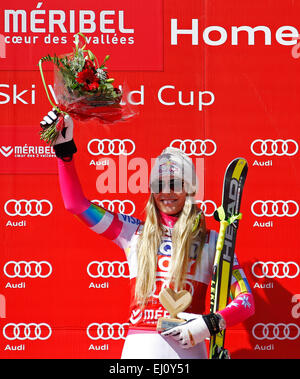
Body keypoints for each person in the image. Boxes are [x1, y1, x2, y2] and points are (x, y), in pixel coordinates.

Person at [41, 110, 255, 359]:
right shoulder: (132, 232)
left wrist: (209, 324)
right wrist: (64, 152)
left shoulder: (211, 241)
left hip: (189, 351)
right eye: (159, 184)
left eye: (176, 183)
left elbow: (246, 301)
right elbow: (76, 205)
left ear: (189, 189)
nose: (167, 192)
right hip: (138, 352)